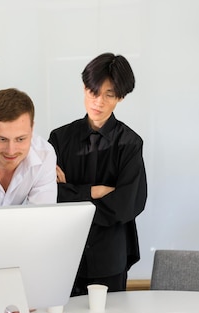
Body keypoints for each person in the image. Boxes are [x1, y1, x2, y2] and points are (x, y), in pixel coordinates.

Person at [48, 52, 147, 296]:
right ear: (84, 88)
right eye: (93, 92)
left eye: (109, 95)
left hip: (110, 255)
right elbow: (49, 196)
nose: (98, 102)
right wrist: (93, 192)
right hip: (64, 254)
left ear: (120, 98)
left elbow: (126, 204)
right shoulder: (59, 139)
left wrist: (73, 197)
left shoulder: (130, 144)